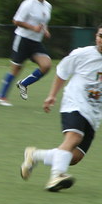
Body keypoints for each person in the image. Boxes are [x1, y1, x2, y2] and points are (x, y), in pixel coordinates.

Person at [19, 24, 102, 192]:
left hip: (94, 113)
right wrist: (52, 95)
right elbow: (62, 72)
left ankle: (34, 155)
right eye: (101, 36)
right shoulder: (82, 54)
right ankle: (57, 175)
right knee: (74, 137)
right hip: (74, 103)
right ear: (96, 36)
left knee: (75, 157)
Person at [0, 0, 52, 106]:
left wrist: (45, 30)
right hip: (23, 40)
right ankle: (1, 96)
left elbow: (43, 22)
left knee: (46, 65)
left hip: (36, 42)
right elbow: (16, 21)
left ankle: (24, 84)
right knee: (16, 69)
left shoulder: (48, 6)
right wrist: (32, 28)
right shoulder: (28, 4)